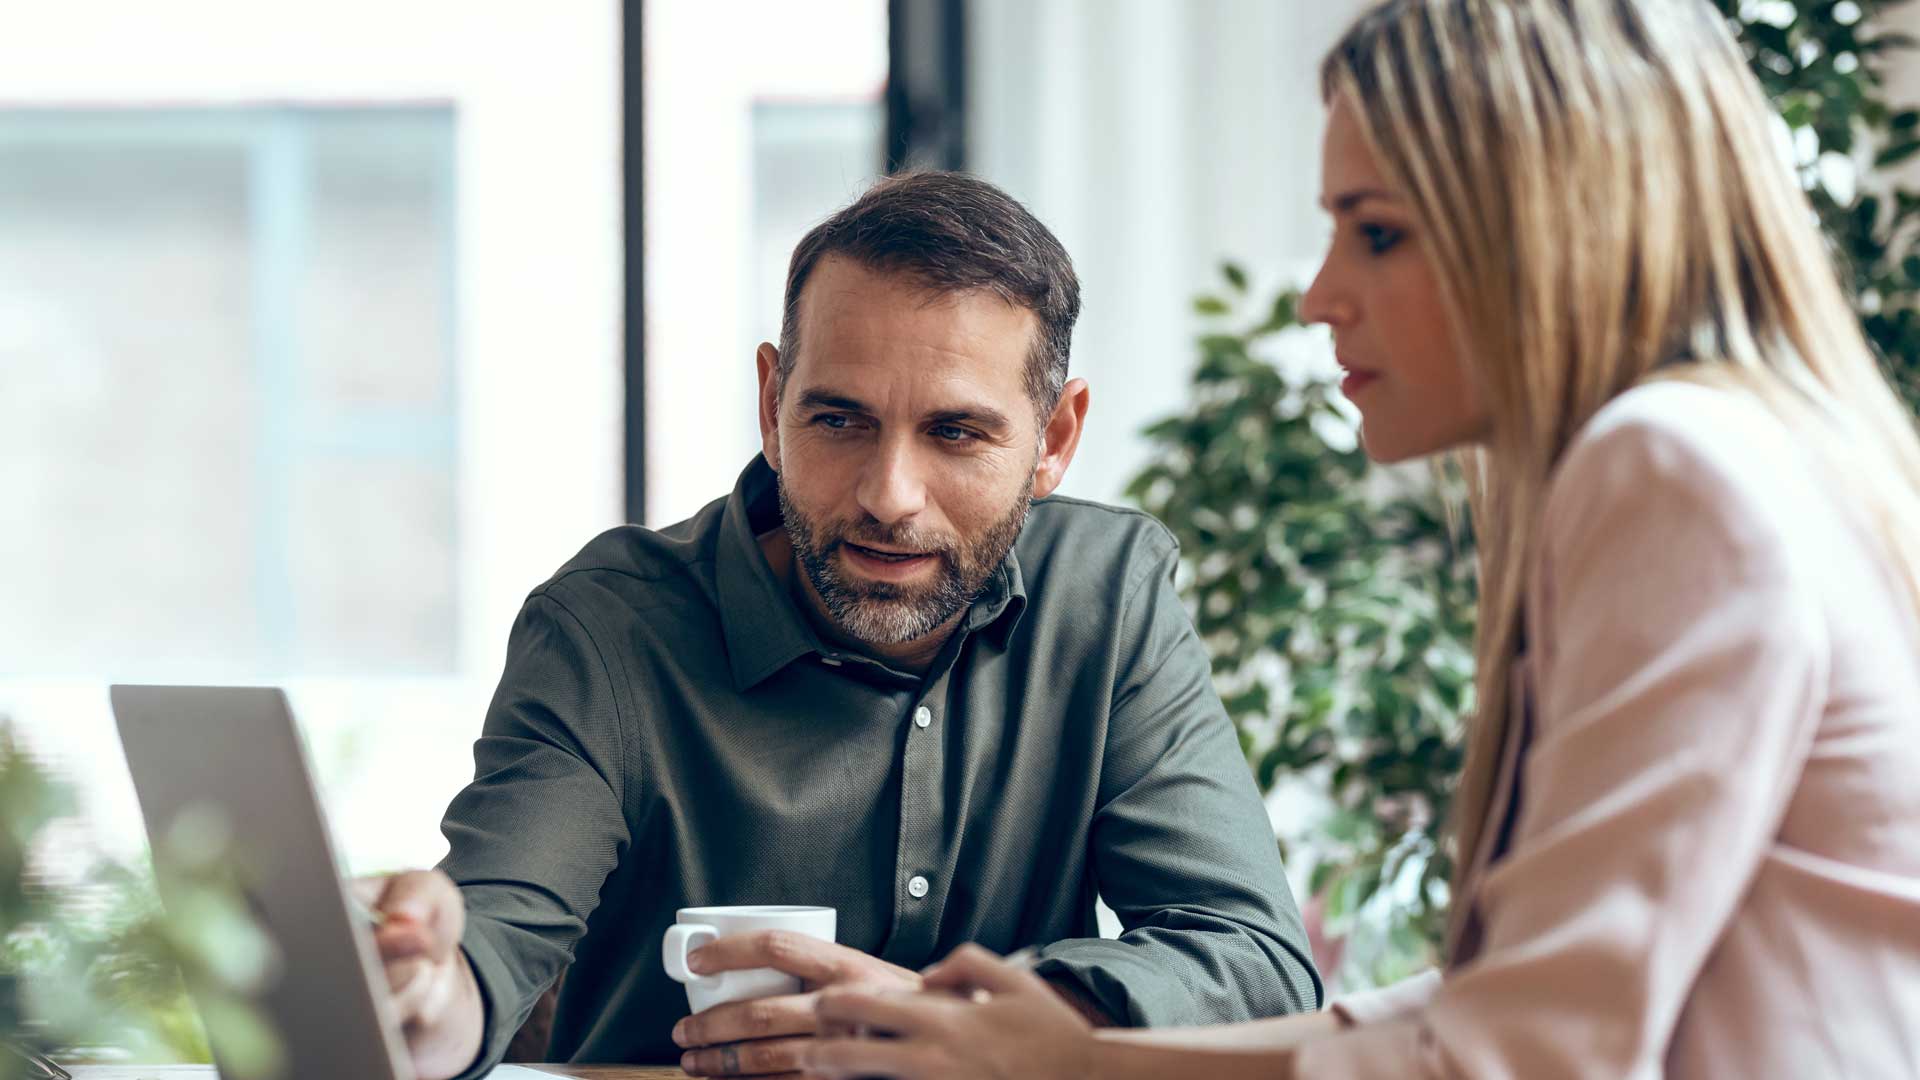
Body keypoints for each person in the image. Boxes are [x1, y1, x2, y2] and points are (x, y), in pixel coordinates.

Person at [800, 2, 1920, 1077]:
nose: (1320, 296)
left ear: (1546, 226)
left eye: (1377, 232)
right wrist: (1072, 1058)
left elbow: (1519, 1060)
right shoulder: (1752, 448)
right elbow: (1503, 1007)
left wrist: (1079, 1065)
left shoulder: (1673, 469)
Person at [355, 170, 1322, 1080]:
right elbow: (488, 947)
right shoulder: (610, 629)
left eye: (955, 432)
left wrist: (983, 1026)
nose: (889, 496)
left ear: (1054, 440)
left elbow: (1256, 960)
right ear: (772, 407)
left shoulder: (1108, 597)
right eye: (839, 421)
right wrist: (425, 995)